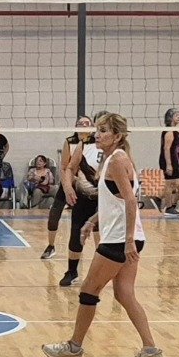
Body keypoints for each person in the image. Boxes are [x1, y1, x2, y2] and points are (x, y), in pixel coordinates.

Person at [42, 111, 163, 357]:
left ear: (117, 136)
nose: (98, 134)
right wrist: (92, 220)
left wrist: (128, 240)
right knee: (124, 293)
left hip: (120, 239)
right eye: (98, 130)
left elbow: (131, 201)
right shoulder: (112, 159)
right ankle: (151, 349)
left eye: (104, 131)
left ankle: (74, 347)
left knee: (88, 290)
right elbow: (116, 200)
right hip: (128, 236)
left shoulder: (117, 160)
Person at [42, 115, 94, 259]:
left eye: (86, 123)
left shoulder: (95, 143)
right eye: (80, 123)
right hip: (69, 182)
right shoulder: (70, 141)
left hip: (87, 185)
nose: (83, 125)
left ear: (92, 127)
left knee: (89, 218)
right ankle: (51, 246)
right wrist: (66, 187)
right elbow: (64, 167)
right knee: (54, 214)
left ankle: (97, 250)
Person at [60, 120, 104, 288]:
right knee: (76, 233)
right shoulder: (83, 145)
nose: (100, 134)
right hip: (84, 196)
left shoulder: (117, 150)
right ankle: (72, 271)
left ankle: (103, 270)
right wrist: (68, 188)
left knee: (103, 235)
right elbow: (70, 168)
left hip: (106, 199)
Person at [158, 108, 179, 216]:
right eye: (176, 115)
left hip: (173, 159)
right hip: (167, 160)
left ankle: (166, 203)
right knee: (169, 184)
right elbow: (166, 148)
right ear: (171, 117)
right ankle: (169, 208)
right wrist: (169, 165)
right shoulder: (169, 131)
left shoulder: (174, 130)